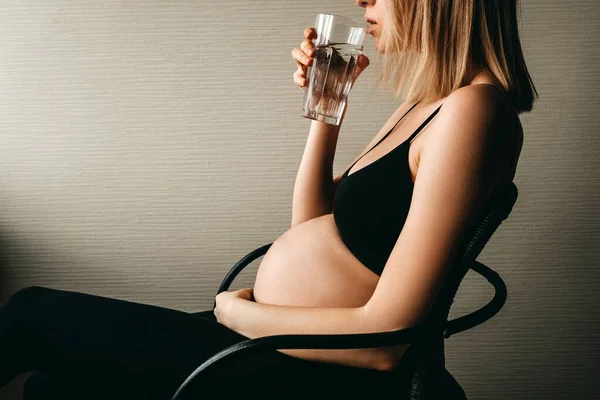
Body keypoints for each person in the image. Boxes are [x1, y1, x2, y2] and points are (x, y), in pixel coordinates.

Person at [0, 0, 537, 399]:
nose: (362, 1)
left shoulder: (473, 113)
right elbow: (316, 229)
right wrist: (326, 106)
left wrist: (240, 314)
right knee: (53, 386)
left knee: (30, 313)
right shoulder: (429, 104)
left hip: (315, 370)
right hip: (279, 343)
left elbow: (386, 339)